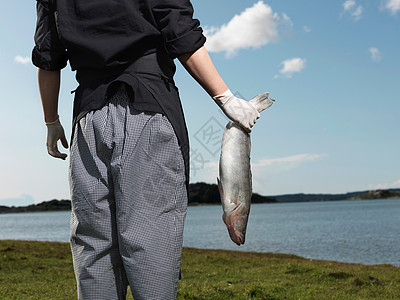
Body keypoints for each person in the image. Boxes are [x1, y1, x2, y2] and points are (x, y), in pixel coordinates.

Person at [33, 0, 260, 299]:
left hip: (88, 120)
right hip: (148, 111)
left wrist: (51, 120)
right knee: (150, 248)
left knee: (93, 252)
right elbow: (180, 30)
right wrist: (226, 97)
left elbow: (48, 55)